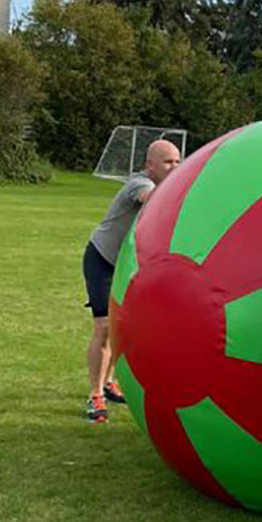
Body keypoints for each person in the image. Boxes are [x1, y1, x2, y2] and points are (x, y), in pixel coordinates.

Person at [82, 139, 181, 422]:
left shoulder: (164, 184)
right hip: (102, 260)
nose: (174, 167)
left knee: (120, 327)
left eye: (177, 161)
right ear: (150, 165)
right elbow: (151, 200)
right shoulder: (139, 184)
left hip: (126, 266)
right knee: (103, 327)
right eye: (167, 162)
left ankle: (109, 381)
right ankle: (95, 395)